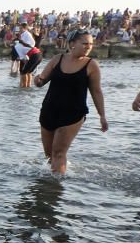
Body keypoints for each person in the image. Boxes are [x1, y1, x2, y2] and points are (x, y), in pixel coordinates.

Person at [33, 30, 108, 174]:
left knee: (59, 153)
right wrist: (37, 80)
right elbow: (41, 81)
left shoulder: (91, 65)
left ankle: (57, 188)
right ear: (72, 44)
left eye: (91, 44)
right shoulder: (58, 59)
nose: (88, 47)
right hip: (49, 110)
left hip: (72, 114)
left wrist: (102, 116)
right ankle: (47, 190)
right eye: (85, 43)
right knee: (49, 156)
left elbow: (96, 92)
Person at [14, 23, 37, 88]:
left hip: (26, 55)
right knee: (26, 72)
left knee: (24, 72)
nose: (20, 30)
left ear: (24, 28)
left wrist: (22, 57)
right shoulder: (25, 34)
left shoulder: (26, 34)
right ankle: (25, 85)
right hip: (25, 54)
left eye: (21, 28)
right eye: (19, 28)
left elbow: (28, 45)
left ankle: (25, 86)